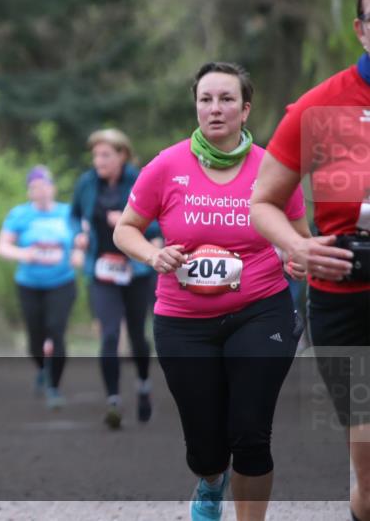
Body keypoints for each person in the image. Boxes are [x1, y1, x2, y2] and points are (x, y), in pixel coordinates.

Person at [114, 62, 307, 521]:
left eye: (225, 100)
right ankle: (210, 479)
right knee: (206, 445)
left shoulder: (272, 167)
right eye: (205, 100)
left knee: (251, 434)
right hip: (183, 322)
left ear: (245, 110)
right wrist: (152, 255)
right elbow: (126, 230)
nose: (215, 109)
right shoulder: (167, 165)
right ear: (196, 107)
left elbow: (298, 234)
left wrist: (296, 256)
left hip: (261, 310)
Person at [251, 0, 370, 521]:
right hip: (345, 300)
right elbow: (263, 201)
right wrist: (296, 248)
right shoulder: (318, 107)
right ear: (361, 29)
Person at [70, 128, 158, 428]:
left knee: (136, 336)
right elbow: (73, 217)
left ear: (122, 155)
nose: (99, 160)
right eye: (95, 155)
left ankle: (144, 385)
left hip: (135, 270)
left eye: (105, 154)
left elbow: (158, 223)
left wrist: (127, 222)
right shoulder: (86, 183)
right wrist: (79, 238)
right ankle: (113, 401)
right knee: (108, 334)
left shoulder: (140, 181)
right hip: (102, 269)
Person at [0, 165, 82, 409]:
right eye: (35, 188)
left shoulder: (68, 213)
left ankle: (54, 386)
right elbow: (2, 247)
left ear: (53, 188)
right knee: (35, 339)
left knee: (56, 330)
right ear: (29, 192)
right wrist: (25, 253)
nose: (41, 191)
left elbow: (83, 240)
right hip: (29, 284)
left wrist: (78, 253)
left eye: (45, 186)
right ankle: (43, 369)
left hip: (62, 282)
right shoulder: (19, 215)